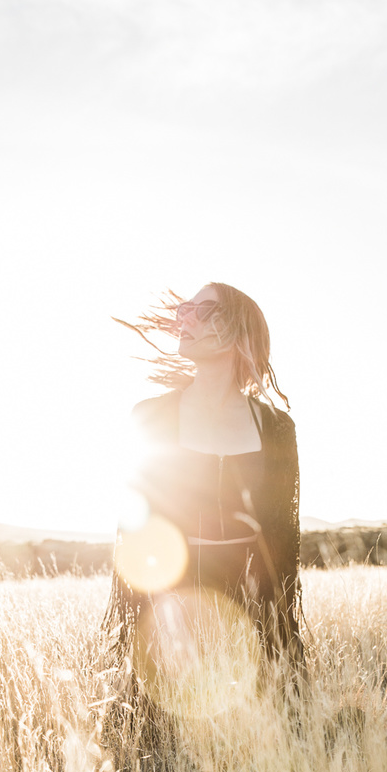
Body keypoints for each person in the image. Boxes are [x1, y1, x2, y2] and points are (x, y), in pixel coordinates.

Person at [103, 282, 303, 683]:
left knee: (257, 732)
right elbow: (137, 528)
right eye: (183, 310)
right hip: (171, 595)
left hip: (250, 600)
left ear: (238, 329)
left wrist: (275, 628)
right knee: (167, 736)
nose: (184, 318)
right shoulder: (150, 416)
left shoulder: (276, 427)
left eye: (202, 310)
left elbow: (283, 539)